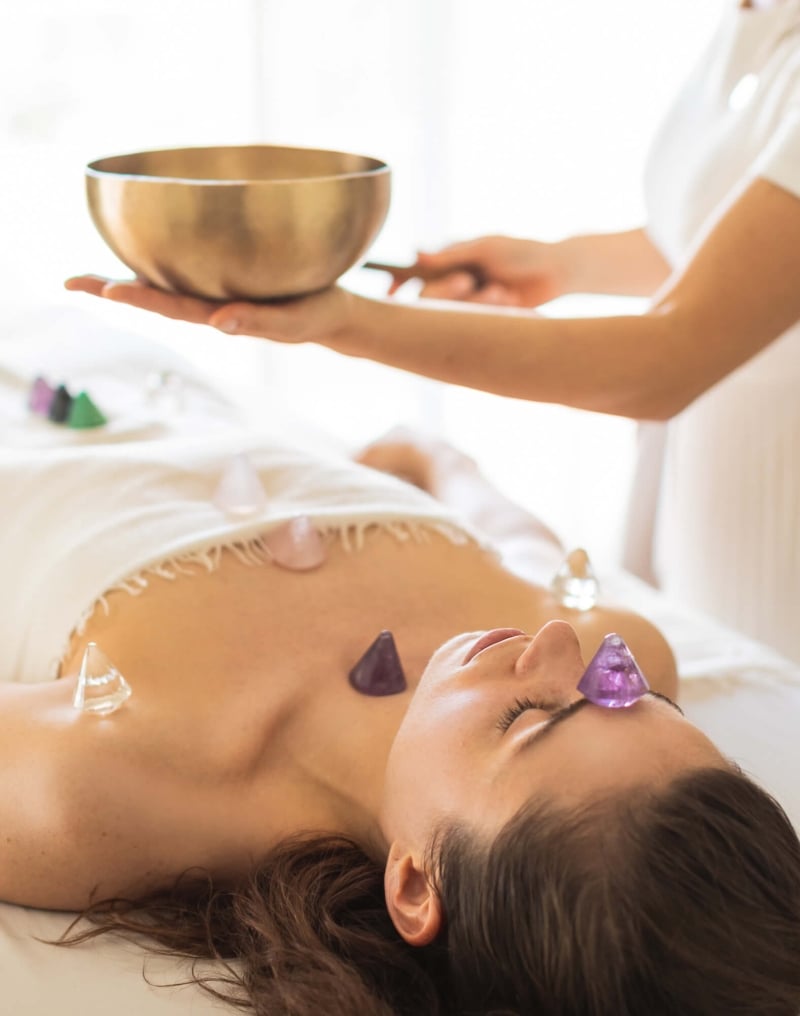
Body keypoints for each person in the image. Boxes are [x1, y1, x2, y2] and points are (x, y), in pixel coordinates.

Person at [2, 328, 800, 1016]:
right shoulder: (620, 654)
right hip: (160, 379)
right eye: (640, 697)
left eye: (527, 718)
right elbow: (525, 554)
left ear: (417, 885)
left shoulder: (123, 789)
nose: (560, 644)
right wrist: (439, 458)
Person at [67, 0, 800, 666]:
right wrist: (561, 263)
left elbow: (665, 362)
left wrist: (348, 321)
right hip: (700, 498)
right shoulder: (753, 15)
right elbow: (725, 239)